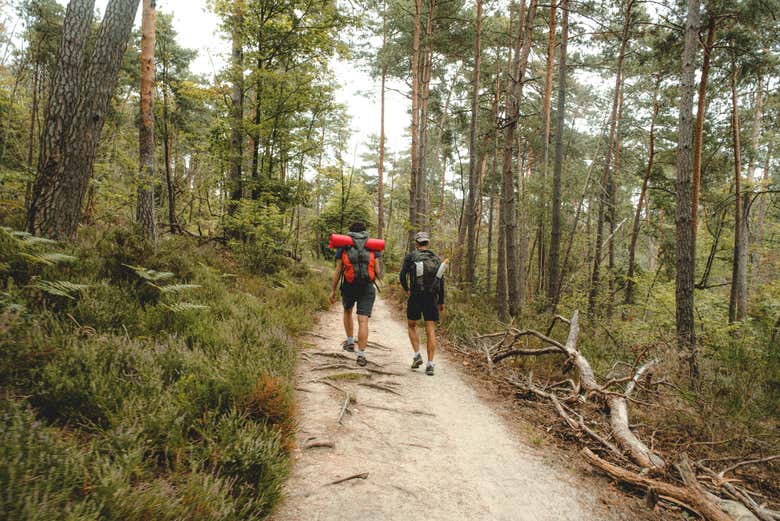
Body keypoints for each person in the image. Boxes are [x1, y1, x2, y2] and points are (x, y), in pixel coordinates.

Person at [329, 221, 381, 367]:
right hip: (367, 287)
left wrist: (333, 290)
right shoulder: (372, 245)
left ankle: (351, 342)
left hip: (349, 286)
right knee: (363, 321)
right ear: (364, 231)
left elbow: (338, 270)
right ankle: (361, 355)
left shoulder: (344, 244)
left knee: (347, 311)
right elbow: (378, 271)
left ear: (350, 232)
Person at [399, 231, 445, 376]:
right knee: (430, 329)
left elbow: (402, 275)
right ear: (428, 243)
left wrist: (407, 289)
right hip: (431, 297)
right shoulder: (436, 258)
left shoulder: (411, 256)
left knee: (412, 325)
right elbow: (441, 281)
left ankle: (417, 355)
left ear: (417, 243)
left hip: (415, 295)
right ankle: (430, 364)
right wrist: (441, 301)